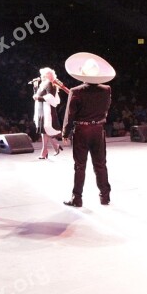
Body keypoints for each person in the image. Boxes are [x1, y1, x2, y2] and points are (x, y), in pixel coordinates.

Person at [61, 52, 115, 207]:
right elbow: (106, 108)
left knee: (80, 165)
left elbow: (70, 115)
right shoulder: (106, 89)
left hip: (82, 130)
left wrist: (65, 132)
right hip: (98, 129)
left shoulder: (76, 91)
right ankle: (105, 197)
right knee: (100, 164)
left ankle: (77, 198)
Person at [33, 67, 63, 159]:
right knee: (43, 130)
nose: (41, 76)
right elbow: (37, 95)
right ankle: (52, 147)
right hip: (41, 109)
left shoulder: (50, 84)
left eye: (43, 75)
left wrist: (38, 98)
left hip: (47, 110)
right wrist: (35, 86)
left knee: (45, 129)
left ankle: (46, 150)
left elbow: (50, 97)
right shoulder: (43, 84)